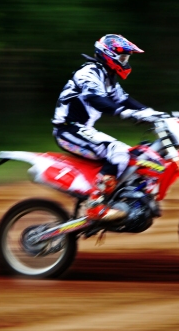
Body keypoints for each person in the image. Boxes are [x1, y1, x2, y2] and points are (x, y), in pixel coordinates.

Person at [52, 34, 167, 221]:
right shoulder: (88, 72)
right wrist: (123, 112)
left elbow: (125, 100)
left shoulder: (108, 78)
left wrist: (153, 114)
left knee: (133, 154)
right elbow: (95, 99)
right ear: (108, 55)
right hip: (68, 130)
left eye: (126, 58)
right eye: (123, 57)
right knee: (118, 152)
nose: (125, 62)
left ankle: (120, 198)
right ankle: (95, 205)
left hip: (82, 129)